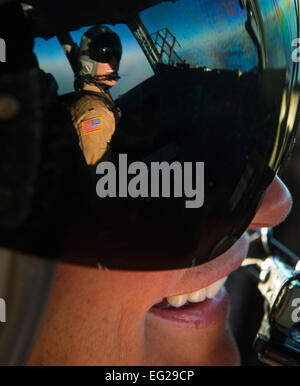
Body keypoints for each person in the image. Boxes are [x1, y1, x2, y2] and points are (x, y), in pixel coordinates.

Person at [69, 25, 122, 166]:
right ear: (87, 63)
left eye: (117, 54)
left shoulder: (95, 95)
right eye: (105, 54)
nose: (115, 64)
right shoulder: (97, 113)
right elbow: (97, 179)